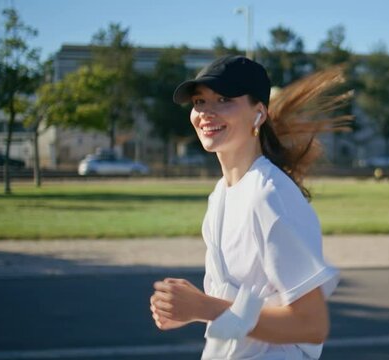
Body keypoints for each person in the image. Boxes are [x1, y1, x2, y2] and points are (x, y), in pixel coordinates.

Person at [149, 55, 349, 359]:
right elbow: (246, 306)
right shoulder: (221, 194)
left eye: (224, 99)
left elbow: (311, 324)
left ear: (258, 114)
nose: (206, 112)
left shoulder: (269, 195)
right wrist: (193, 310)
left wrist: (204, 306)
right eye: (199, 101)